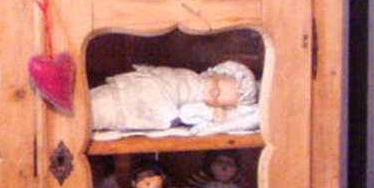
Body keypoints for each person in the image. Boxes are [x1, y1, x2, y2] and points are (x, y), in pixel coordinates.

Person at [89, 60, 258, 133]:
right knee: (101, 97)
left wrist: (212, 114)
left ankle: (82, 117)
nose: (214, 92)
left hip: (147, 102)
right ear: (215, 73)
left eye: (217, 98)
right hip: (139, 87)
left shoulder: (198, 103)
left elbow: (186, 113)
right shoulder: (192, 75)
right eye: (217, 85)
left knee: (102, 113)